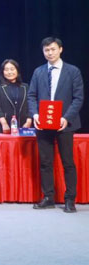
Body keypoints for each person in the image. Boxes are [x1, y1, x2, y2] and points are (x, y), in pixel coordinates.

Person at [27, 37, 84, 213]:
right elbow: (31, 96)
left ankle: (70, 200)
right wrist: (35, 114)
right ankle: (48, 197)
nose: (50, 53)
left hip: (65, 124)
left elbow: (78, 98)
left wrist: (66, 117)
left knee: (68, 162)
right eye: (46, 50)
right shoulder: (38, 72)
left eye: (52, 49)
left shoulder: (73, 71)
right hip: (43, 124)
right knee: (45, 162)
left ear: (60, 49)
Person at [0, 59, 31, 133]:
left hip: (23, 126)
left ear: (17, 70)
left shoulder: (25, 87)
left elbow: (30, 105)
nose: (9, 72)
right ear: (2, 72)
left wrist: (28, 122)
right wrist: (4, 123)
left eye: (12, 69)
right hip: (4, 127)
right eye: (6, 70)